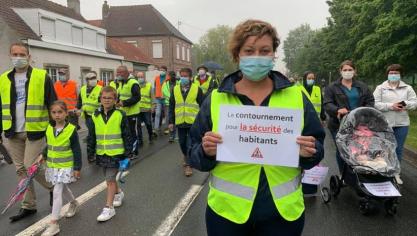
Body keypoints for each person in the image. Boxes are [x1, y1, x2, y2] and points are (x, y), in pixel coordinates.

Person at [189, 19, 325, 235]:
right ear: (237, 55)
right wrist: (205, 151)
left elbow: (318, 148)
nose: (257, 57)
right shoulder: (216, 99)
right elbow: (193, 153)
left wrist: (309, 152)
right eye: (249, 50)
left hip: (282, 214)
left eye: (265, 51)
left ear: (273, 55)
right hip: (227, 214)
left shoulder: (296, 96)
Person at [0, 42, 55, 222]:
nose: (18, 57)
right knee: (20, 169)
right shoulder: (3, 79)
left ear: (29, 57)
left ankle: (54, 187)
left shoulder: (41, 76)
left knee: (31, 165)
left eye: (22, 54)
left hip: (35, 130)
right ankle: (28, 205)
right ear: (10, 55)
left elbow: (52, 103)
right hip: (11, 131)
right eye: (14, 54)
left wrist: (56, 128)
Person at [87, 86, 132, 222]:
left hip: (116, 153)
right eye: (104, 98)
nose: (106, 100)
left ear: (115, 100)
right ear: (100, 99)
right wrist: (90, 152)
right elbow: (92, 136)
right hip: (102, 152)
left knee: (110, 179)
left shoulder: (120, 115)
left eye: (110, 98)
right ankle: (118, 193)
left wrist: (128, 154)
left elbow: (127, 135)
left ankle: (109, 207)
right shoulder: (95, 115)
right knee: (108, 178)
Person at [323, 60, 375, 173]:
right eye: (345, 70)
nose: (347, 72)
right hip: (339, 125)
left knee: (359, 149)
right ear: (340, 71)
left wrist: (364, 112)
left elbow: (370, 101)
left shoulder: (362, 86)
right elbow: (327, 103)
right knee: (342, 150)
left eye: (350, 70)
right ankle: (344, 174)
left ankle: (358, 171)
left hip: (359, 124)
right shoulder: (332, 87)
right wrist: (337, 109)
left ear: (354, 71)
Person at [40, 101, 82, 236]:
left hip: (65, 165)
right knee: (62, 188)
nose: (57, 115)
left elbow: (76, 150)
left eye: (60, 112)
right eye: (54, 112)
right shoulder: (49, 128)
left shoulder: (71, 130)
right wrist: (43, 155)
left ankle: (54, 224)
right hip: (53, 165)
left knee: (57, 191)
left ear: (65, 113)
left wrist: (77, 167)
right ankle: (74, 203)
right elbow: (49, 145)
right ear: (51, 114)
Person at [373, 64, 417, 184]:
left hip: (402, 123)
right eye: (391, 73)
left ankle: (395, 172)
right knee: (384, 147)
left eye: (396, 73)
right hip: (384, 124)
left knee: (398, 148)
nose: (393, 75)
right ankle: (382, 170)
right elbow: (375, 103)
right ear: (387, 74)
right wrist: (391, 106)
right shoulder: (380, 88)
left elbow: (414, 103)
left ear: (400, 74)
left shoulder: (407, 88)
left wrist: (403, 104)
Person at [169, 68, 204, 177]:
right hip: (180, 121)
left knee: (190, 144)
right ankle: (185, 155)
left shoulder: (196, 89)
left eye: (185, 76)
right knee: (182, 143)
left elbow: (203, 105)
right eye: (182, 76)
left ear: (190, 77)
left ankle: (189, 165)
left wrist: (202, 121)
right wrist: (171, 122)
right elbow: (171, 106)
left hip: (193, 121)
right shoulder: (175, 89)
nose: (183, 78)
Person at [300, 71, 327, 195]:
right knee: (302, 154)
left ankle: (311, 185)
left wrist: (322, 118)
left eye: (313, 78)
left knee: (313, 153)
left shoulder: (317, 89)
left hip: (315, 124)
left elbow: (321, 104)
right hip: (303, 125)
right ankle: (302, 182)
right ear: (304, 79)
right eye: (309, 78)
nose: (311, 80)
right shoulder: (298, 89)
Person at [77, 71, 102, 163]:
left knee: (95, 135)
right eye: (91, 78)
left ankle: (94, 154)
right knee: (92, 135)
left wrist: (100, 111)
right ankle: (91, 155)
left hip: (98, 116)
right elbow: (80, 101)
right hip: (88, 116)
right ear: (86, 80)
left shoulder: (100, 88)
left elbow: (104, 102)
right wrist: (77, 108)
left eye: (94, 78)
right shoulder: (83, 89)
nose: (93, 80)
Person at [115, 66, 140, 156]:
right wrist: (116, 102)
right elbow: (119, 95)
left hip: (132, 113)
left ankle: (134, 152)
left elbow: (137, 97)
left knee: (132, 133)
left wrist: (124, 103)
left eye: (119, 72)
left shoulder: (133, 83)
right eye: (117, 72)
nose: (117, 74)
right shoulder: (122, 83)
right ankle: (128, 149)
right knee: (125, 133)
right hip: (123, 113)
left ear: (125, 72)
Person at [137, 71, 153, 146]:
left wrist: (153, 106)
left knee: (148, 124)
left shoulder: (149, 85)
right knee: (138, 126)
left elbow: (152, 97)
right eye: (138, 77)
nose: (140, 78)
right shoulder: (136, 85)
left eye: (141, 77)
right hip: (137, 109)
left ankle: (150, 136)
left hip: (147, 109)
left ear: (144, 77)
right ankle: (140, 140)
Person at [153, 66, 170, 136]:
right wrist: (154, 97)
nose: (161, 71)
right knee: (157, 114)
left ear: (166, 71)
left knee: (167, 114)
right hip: (158, 98)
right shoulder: (156, 78)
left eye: (163, 70)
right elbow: (155, 87)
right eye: (160, 70)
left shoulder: (168, 78)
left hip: (166, 98)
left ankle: (167, 128)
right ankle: (156, 129)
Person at [163, 71, 178, 142]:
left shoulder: (179, 82)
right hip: (168, 104)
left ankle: (177, 134)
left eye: (173, 75)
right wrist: (172, 98)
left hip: (178, 104)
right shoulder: (165, 84)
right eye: (171, 75)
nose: (172, 76)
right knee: (170, 119)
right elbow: (164, 92)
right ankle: (172, 135)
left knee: (178, 119)